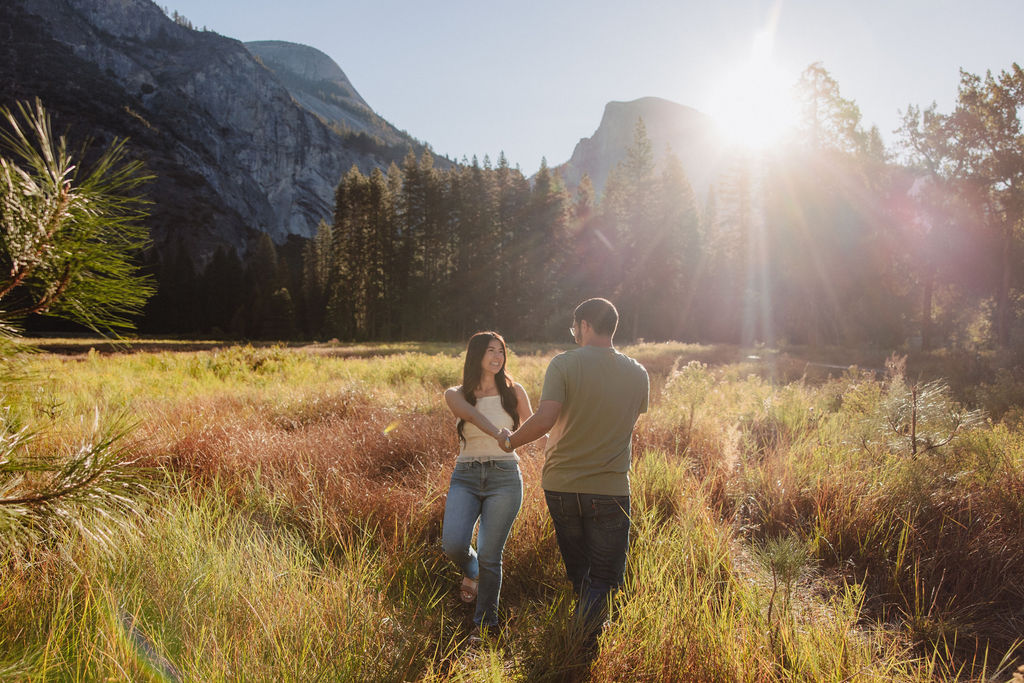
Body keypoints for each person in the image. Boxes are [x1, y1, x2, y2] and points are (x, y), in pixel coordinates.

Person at [498, 298, 648, 640]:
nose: (575, 334)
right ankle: (583, 643)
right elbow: (623, 422)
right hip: (609, 489)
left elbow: (545, 420)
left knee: (581, 572)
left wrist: (510, 442)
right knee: (605, 578)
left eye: (574, 328)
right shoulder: (638, 373)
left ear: (585, 325)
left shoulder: (563, 364)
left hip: (562, 486)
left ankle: (581, 638)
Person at [442, 331, 533, 632]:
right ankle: (472, 569)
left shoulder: (514, 391)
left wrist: (563, 445)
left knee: (492, 554)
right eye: (491, 351)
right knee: (454, 544)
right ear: (476, 355)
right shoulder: (456, 394)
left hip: (505, 477)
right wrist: (499, 434)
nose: (497, 357)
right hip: (466, 475)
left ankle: (485, 625)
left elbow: (536, 430)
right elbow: (470, 415)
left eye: (502, 351)